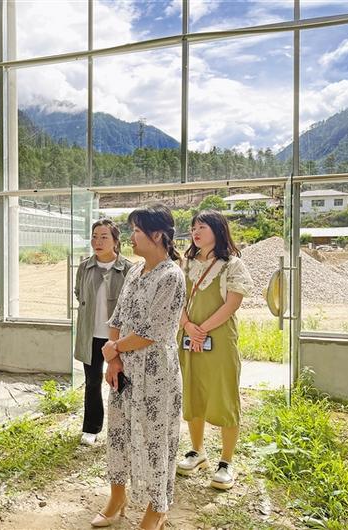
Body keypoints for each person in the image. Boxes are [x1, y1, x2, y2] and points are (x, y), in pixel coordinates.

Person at [95, 205, 186, 530]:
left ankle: (157, 508)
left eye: (136, 231)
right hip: (124, 369)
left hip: (156, 372)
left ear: (157, 235)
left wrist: (114, 349)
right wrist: (114, 359)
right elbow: (118, 317)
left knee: (155, 439)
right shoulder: (135, 271)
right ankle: (117, 497)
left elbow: (153, 331)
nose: (130, 237)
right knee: (119, 433)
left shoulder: (171, 276)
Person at [176, 210, 254, 491]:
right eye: (193, 227)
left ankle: (226, 462)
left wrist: (201, 329)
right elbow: (177, 301)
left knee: (224, 396)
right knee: (192, 391)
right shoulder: (184, 264)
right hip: (187, 336)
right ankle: (197, 451)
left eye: (202, 227)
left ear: (218, 230)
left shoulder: (232, 265)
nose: (195, 232)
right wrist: (188, 325)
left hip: (219, 339)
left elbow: (232, 304)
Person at [74, 219, 133, 446]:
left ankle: (124, 428)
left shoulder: (128, 269)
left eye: (104, 237)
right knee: (92, 381)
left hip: (118, 338)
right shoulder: (84, 267)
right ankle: (91, 428)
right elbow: (79, 293)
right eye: (95, 237)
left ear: (116, 241)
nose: (97, 241)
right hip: (90, 335)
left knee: (120, 381)